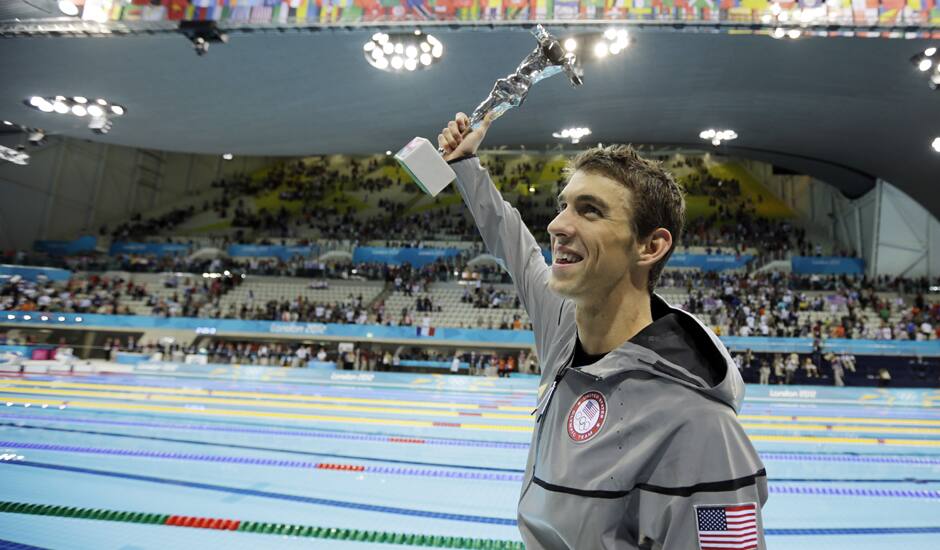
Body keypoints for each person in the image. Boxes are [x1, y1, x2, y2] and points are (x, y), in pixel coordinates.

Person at [438, 113, 767, 549]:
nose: (557, 225)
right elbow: (512, 243)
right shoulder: (564, 331)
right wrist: (465, 165)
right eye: (564, 205)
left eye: (590, 211)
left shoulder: (701, 428)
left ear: (650, 246)